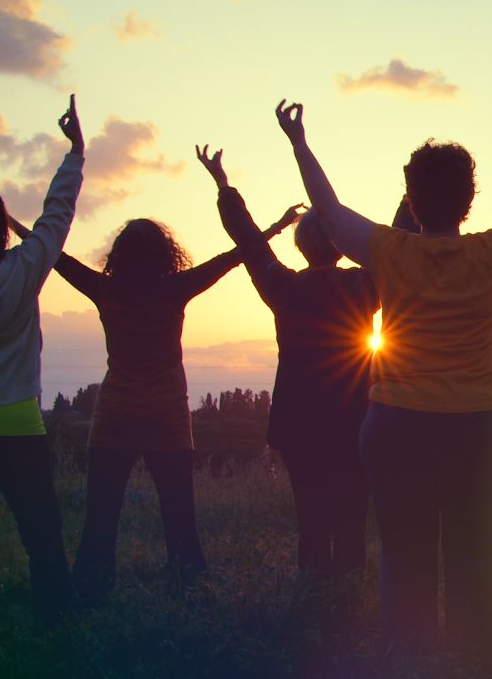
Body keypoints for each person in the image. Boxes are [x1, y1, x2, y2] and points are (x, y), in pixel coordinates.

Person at [275, 101, 492, 653]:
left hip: (398, 427)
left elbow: (329, 207)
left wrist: (298, 141)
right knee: (475, 558)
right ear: (469, 200)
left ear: (410, 201)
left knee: (405, 556)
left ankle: (408, 672)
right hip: (482, 427)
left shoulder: (388, 250)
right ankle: (473, 670)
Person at [27, 198, 294, 605]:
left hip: (113, 416)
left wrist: (12, 222)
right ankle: (189, 596)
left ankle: (88, 599)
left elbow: (54, 257)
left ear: (118, 255)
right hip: (166, 417)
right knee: (179, 518)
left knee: (100, 518)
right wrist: (276, 225)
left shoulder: (104, 288)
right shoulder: (175, 288)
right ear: (164, 254)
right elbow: (233, 257)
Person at [197, 145, 379, 577]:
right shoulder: (365, 285)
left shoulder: (284, 288)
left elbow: (249, 240)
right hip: (356, 420)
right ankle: (347, 602)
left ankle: (314, 600)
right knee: (352, 521)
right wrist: (411, 203)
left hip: (299, 425)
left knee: (311, 523)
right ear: (341, 245)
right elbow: (395, 244)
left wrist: (224, 184)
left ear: (300, 245)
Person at [0, 96, 84, 626]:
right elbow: (56, 214)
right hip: (17, 420)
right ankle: (56, 614)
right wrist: (76, 153)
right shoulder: (25, 269)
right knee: (40, 529)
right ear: (3, 230)